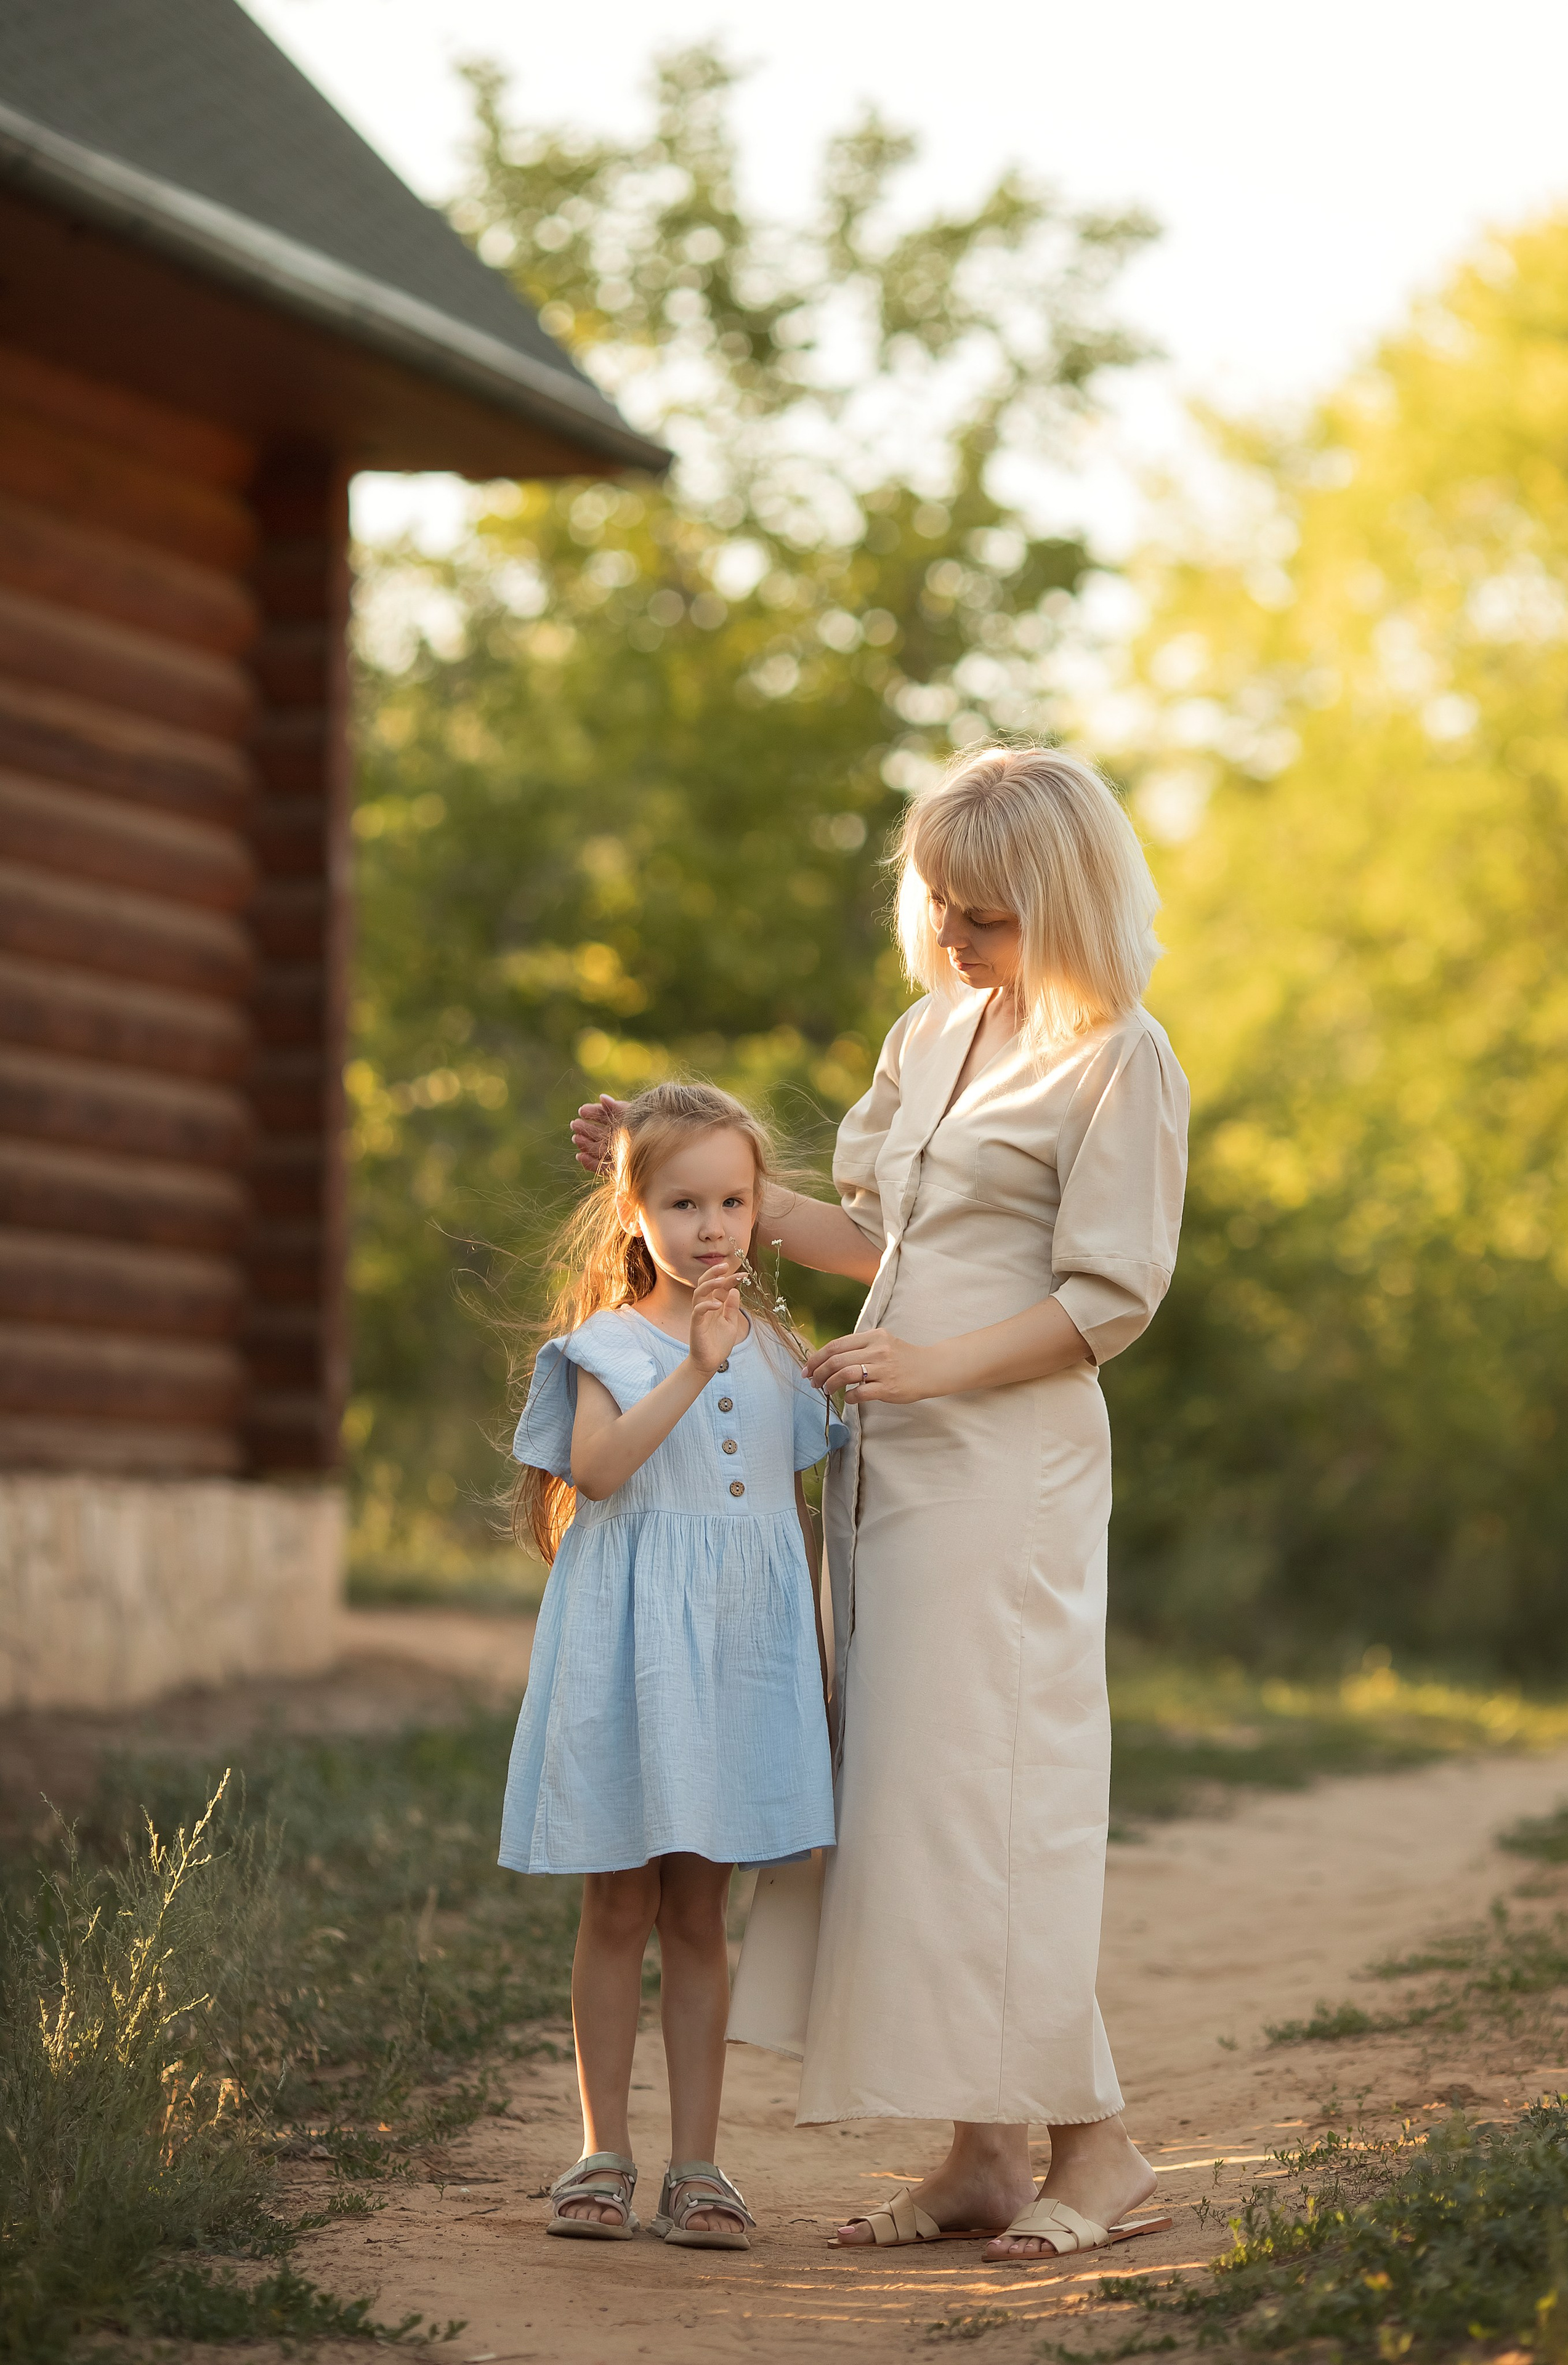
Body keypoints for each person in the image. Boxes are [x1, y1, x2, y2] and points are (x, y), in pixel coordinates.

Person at [573, 746, 1187, 2264]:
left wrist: (930, 1372)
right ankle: (983, 2150)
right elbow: (868, 1234)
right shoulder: (934, 1032)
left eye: (985, 919)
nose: (957, 944)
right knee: (909, 1802)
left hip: (1005, 1462)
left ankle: (1096, 2149)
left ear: (1062, 898)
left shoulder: (1120, 1058)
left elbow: (1108, 1300)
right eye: (941, 915)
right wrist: (681, 1176)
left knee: (995, 1794)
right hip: (888, 1460)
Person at [502, 1082, 848, 2250]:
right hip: (629, 1655)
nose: (711, 1227)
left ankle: (699, 2167)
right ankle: (603, 2155)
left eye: (734, 1202)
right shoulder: (608, 1344)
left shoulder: (787, 1361)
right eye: (683, 1200)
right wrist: (693, 1367)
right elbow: (596, 1473)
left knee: (701, 1916)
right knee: (619, 1905)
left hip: (739, 1666)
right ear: (633, 1210)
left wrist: (813, 1660)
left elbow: (799, 1525)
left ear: (761, 1213)